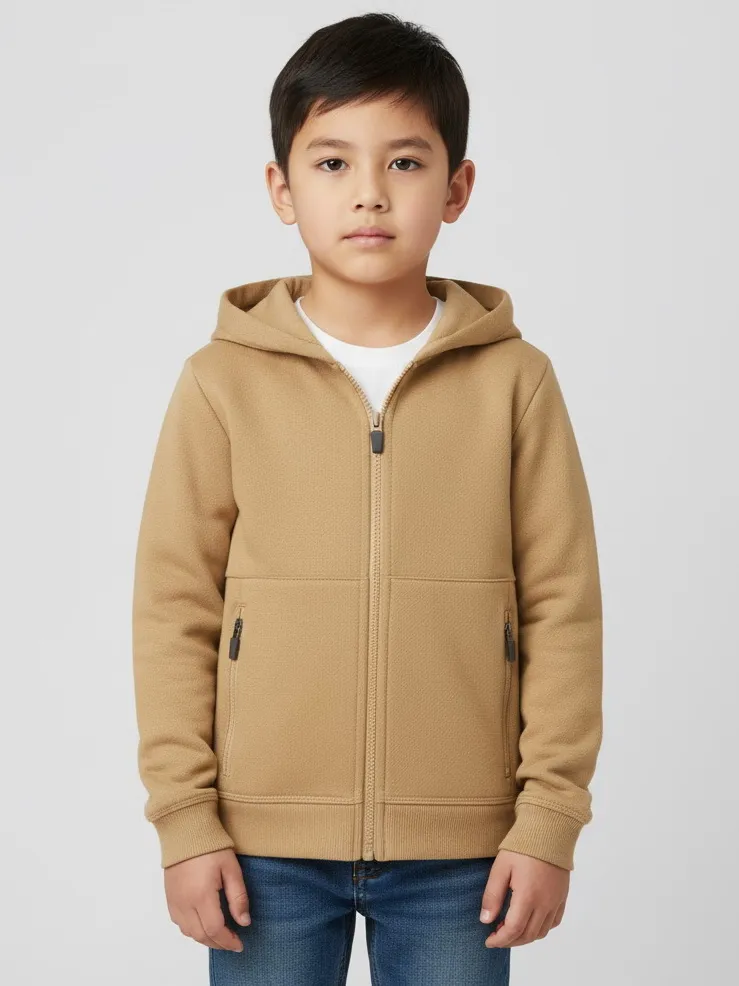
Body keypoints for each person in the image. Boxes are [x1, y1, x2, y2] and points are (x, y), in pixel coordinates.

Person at [131, 12, 603, 985]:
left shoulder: (514, 382)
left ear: (456, 187)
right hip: (260, 848)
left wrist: (548, 818)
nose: (369, 193)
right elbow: (174, 606)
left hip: (463, 851)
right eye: (333, 162)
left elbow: (563, 606)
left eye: (405, 162)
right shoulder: (222, 382)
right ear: (282, 187)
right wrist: (185, 819)